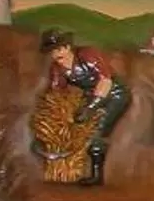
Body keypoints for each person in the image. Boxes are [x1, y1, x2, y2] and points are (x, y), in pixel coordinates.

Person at [34, 29, 130, 188]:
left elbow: (105, 81)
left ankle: (96, 176)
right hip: (90, 96)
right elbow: (57, 94)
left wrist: (90, 107)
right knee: (77, 126)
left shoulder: (87, 55)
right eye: (52, 51)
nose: (57, 54)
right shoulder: (57, 69)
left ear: (68, 47)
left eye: (60, 48)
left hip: (114, 94)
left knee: (97, 129)